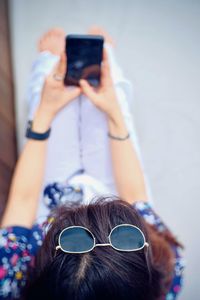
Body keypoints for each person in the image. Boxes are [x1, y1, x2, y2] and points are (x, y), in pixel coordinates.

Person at [0, 28, 184, 300]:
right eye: (128, 233)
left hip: (46, 207)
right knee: (109, 93)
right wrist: (115, 114)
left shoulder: (8, 279)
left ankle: (51, 65)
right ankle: (104, 66)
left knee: (50, 78)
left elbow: (24, 201)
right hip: (90, 212)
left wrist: (44, 114)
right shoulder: (166, 269)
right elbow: (135, 198)